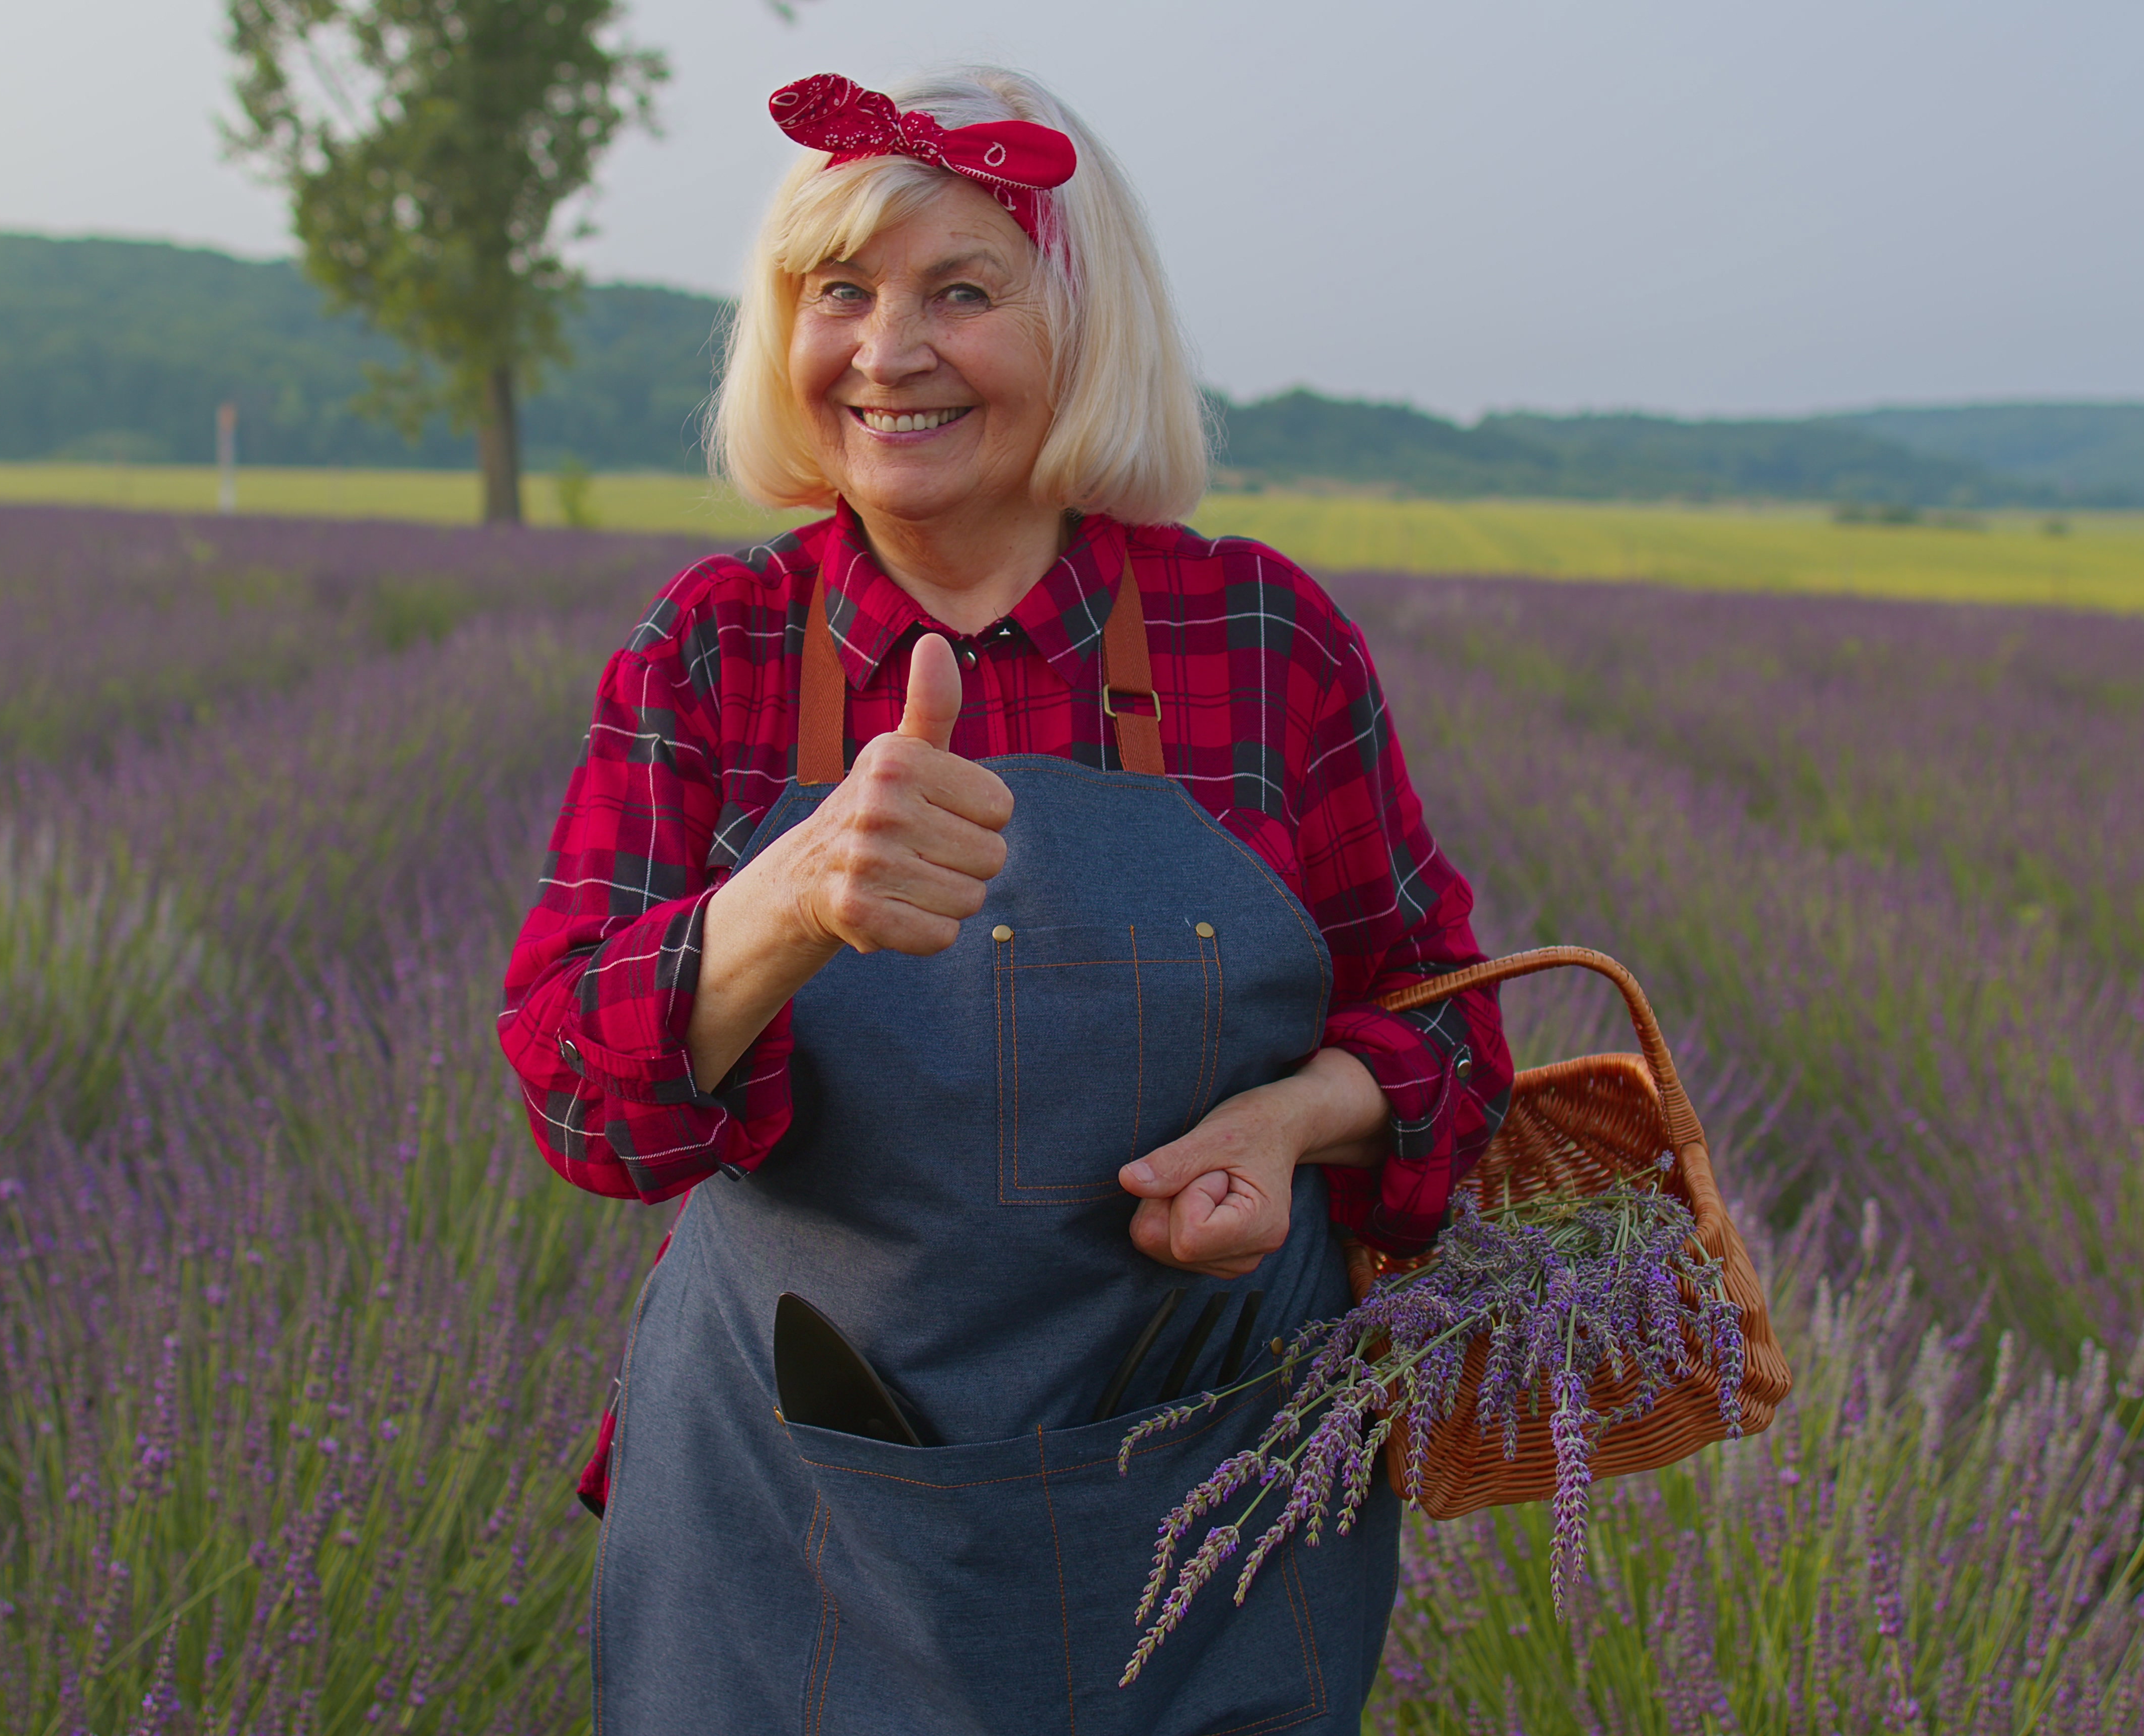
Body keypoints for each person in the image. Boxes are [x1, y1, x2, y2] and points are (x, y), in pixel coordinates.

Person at [499, 65, 1508, 1736]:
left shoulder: (1258, 637)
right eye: (839, 292)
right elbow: (575, 1104)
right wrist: (780, 906)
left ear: (1086, 329)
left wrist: (1287, 1125)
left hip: (1210, 1482)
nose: (885, 353)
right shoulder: (717, 647)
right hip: (795, 1494)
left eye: (961, 293)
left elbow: (1445, 1037)